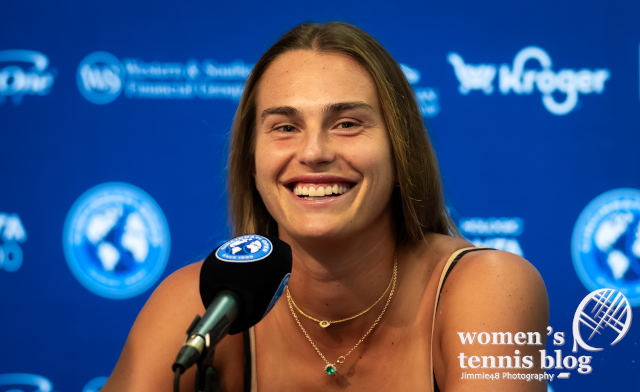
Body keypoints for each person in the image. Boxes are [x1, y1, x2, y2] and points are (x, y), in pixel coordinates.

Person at [102, 22, 549, 391]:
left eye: (348, 123)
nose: (314, 152)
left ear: (399, 150)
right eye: (284, 127)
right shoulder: (205, 306)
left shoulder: (487, 287)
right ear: (252, 162)